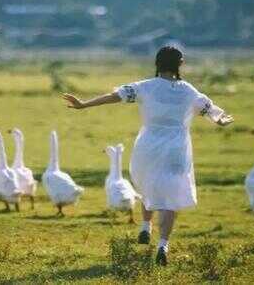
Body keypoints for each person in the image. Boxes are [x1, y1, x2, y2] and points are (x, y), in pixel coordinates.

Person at [62, 46, 233, 266]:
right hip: (177, 147)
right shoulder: (188, 90)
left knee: (147, 184)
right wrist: (219, 120)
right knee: (170, 196)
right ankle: (163, 245)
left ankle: (145, 226)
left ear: (157, 64)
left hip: (149, 145)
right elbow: (208, 109)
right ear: (179, 64)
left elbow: (115, 96)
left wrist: (84, 104)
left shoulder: (145, 87)